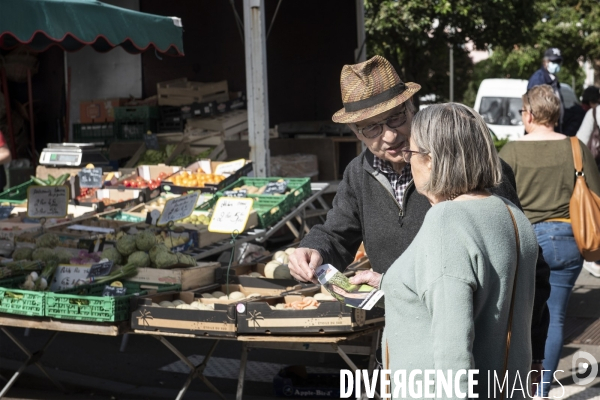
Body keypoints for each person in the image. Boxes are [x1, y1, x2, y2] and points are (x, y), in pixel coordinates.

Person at [289, 55, 550, 382]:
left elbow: (526, 266)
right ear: (356, 132)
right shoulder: (359, 174)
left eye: (396, 118)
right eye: (371, 127)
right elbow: (337, 233)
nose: (388, 136)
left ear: (413, 108)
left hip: (474, 355)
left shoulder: (474, 172)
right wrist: (313, 248)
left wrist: (534, 347)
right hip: (406, 347)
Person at [348, 103, 538, 398]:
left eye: (411, 153)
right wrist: (389, 282)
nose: (407, 161)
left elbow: (454, 356)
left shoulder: (446, 220)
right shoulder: (510, 214)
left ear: (431, 160)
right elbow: (477, 288)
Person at [499, 84, 600, 398]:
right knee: (556, 317)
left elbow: (496, 198)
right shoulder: (575, 147)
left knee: (519, 317)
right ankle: (542, 390)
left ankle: (518, 383)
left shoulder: (510, 151)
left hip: (523, 242)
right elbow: (594, 192)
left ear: (529, 114)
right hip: (567, 240)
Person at [528, 47, 564, 132]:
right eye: (553, 61)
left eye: (558, 62)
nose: (556, 64)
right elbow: (536, 108)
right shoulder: (538, 79)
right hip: (542, 129)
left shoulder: (553, 80)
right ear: (545, 62)